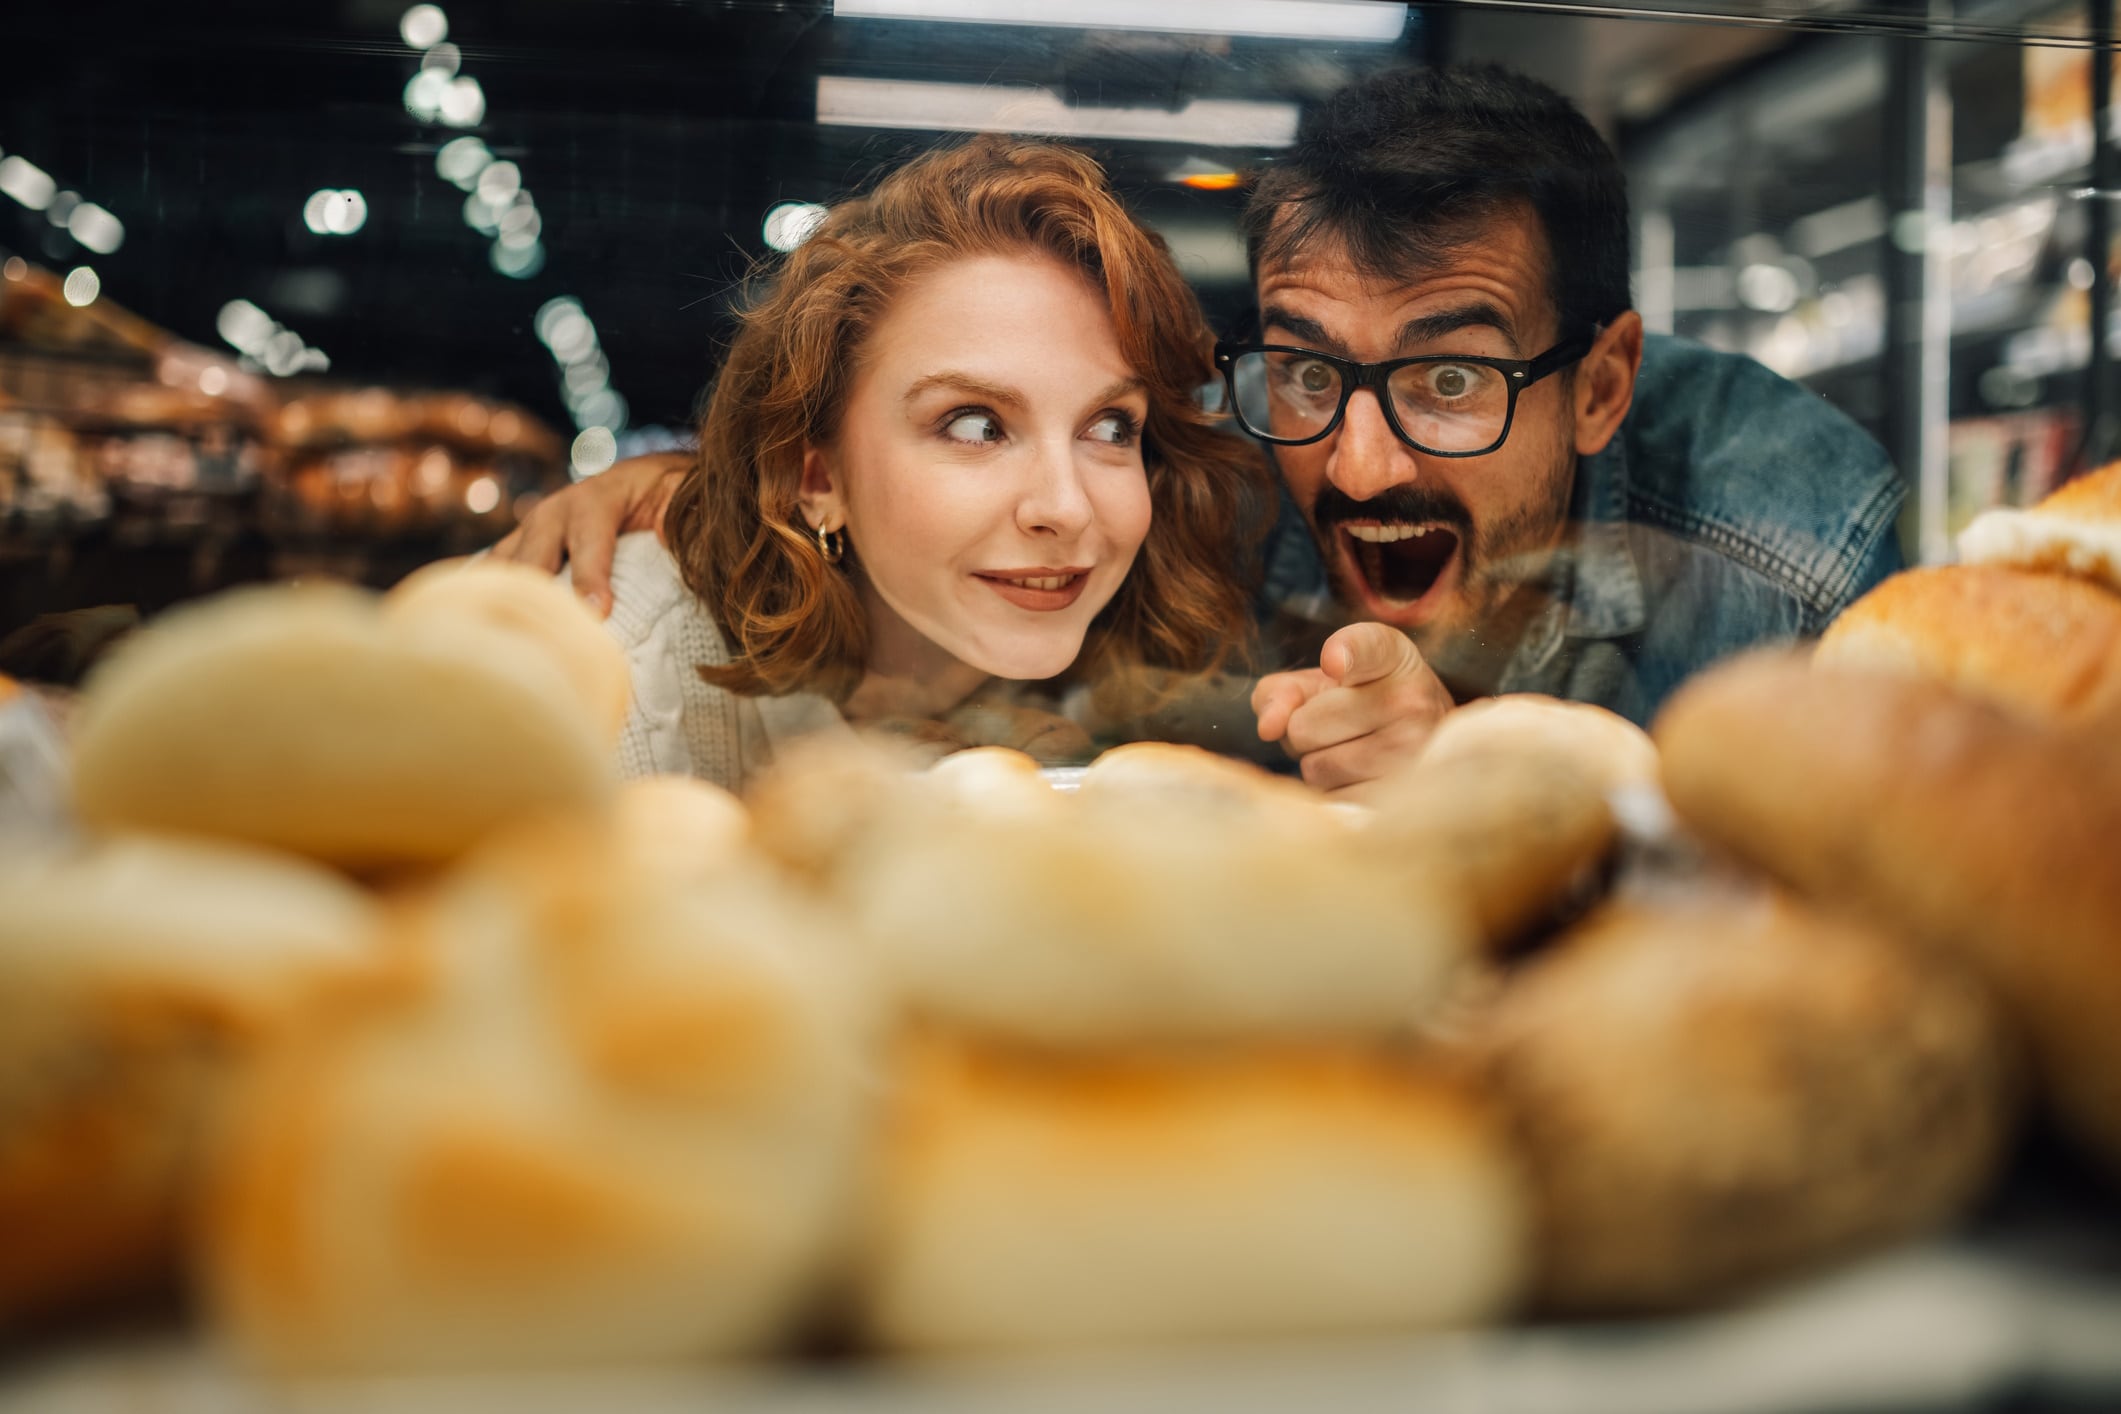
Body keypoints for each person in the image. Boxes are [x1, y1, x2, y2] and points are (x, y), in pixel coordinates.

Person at [500, 63, 1903, 790]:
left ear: (1600, 385)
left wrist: (1490, 783)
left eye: (1451, 381)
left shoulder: (1782, 550)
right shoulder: (1207, 498)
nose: (1356, 466)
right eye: (1304, 369)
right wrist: (722, 487)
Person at [553, 136, 1270, 790]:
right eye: (975, 425)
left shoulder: (1129, 679)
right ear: (817, 479)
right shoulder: (610, 677)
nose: (1066, 508)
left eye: (1111, 427)